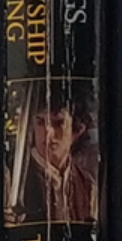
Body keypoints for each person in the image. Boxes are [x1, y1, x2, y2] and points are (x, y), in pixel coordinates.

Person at [8, 82, 99, 224]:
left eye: (58, 123)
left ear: (77, 129)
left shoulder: (88, 188)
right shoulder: (10, 178)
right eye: (40, 122)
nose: (48, 133)